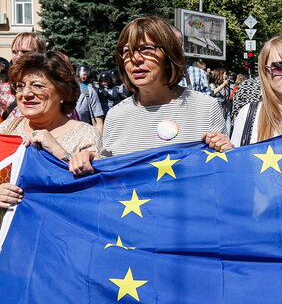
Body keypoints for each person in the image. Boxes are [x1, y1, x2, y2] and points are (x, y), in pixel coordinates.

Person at [69, 16, 228, 174]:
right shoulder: (116, 116)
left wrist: (227, 152)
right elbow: (109, 178)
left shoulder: (206, 108)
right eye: (127, 51)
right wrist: (89, 160)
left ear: (169, 54)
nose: (136, 58)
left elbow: (221, 175)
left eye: (146, 49)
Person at [0, 51, 101, 209]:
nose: (25, 94)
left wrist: (59, 152)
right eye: (20, 86)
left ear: (62, 91)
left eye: (38, 86)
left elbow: (95, 191)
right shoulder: (6, 129)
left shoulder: (85, 135)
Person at [74, 64, 105, 133]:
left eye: (85, 74)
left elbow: (98, 123)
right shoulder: (62, 90)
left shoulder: (90, 91)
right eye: (82, 73)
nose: (83, 76)